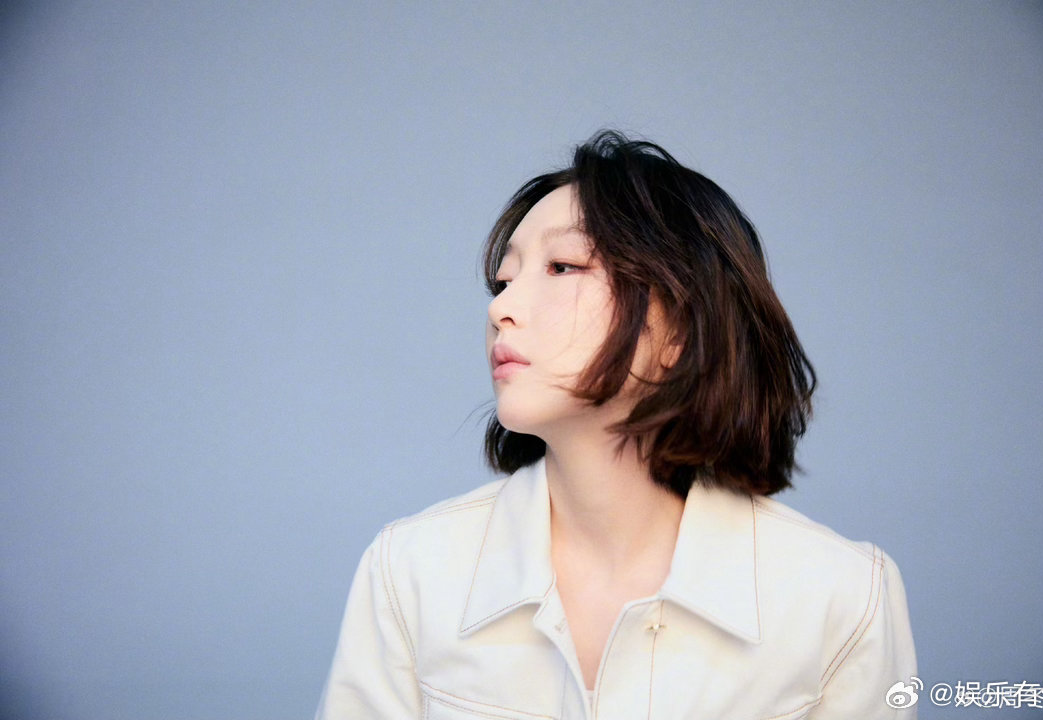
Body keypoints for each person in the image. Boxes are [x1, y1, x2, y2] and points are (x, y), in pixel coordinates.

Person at [315, 131, 917, 719]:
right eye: (504, 280)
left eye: (562, 266)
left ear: (682, 326)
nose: (500, 308)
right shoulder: (410, 571)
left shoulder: (842, 599)